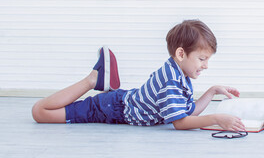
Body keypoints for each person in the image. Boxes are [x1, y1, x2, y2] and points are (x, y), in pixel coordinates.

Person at [32, 20, 245, 131]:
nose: (206, 65)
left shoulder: (180, 74)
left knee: (43, 112)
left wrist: (212, 91)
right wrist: (217, 118)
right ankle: (93, 79)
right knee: (40, 112)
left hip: (120, 103)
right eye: (202, 59)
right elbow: (181, 123)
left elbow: (188, 112)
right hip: (111, 109)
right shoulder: (172, 80)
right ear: (181, 54)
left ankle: (100, 80)